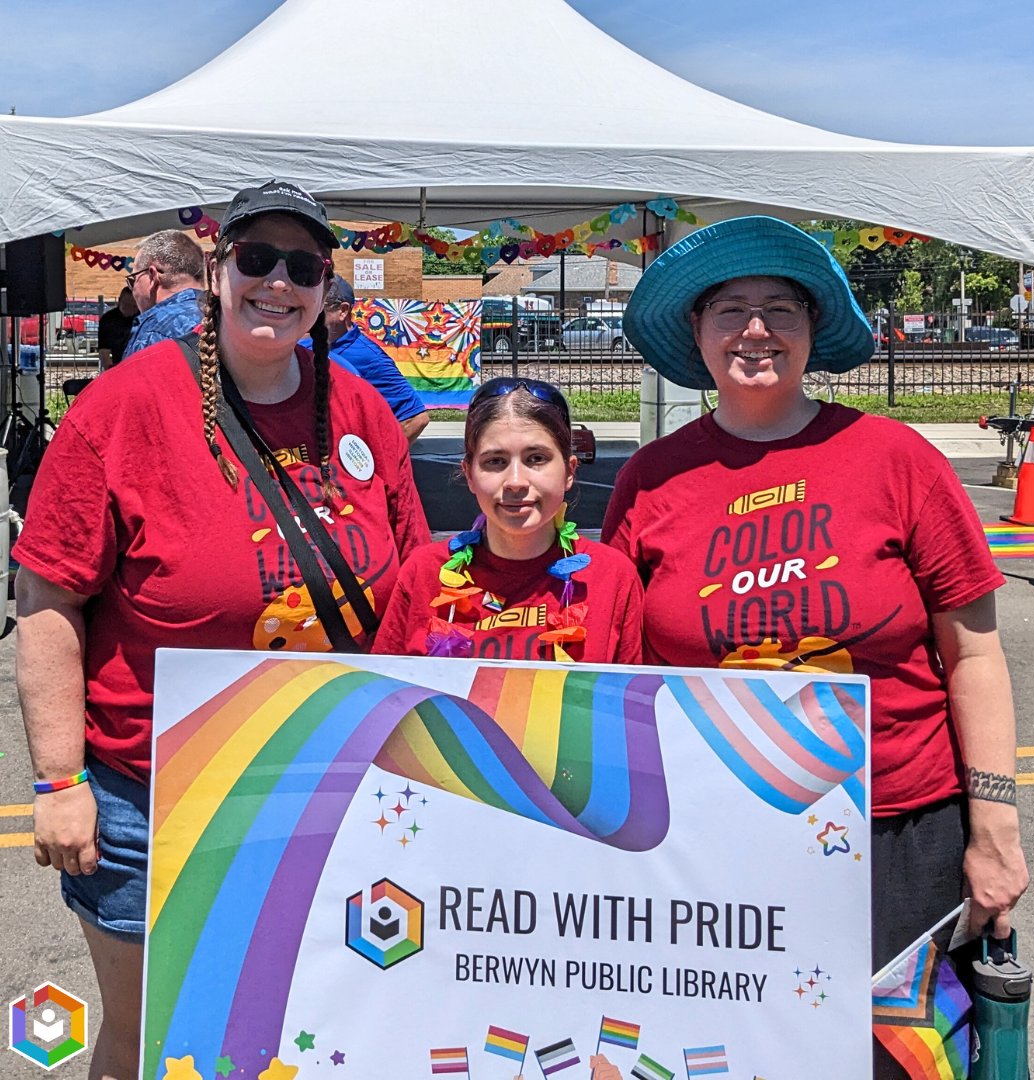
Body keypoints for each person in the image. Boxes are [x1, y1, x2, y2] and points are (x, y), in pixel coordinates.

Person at [14, 179, 430, 1080]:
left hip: (328, 789)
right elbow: (47, 599)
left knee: (310, 1030)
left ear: (324, 287)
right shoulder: (125, 407)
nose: (278, 283)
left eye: (303, 267)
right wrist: (60, 780)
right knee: (154, 1038)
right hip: (154, 796)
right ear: (216, 271)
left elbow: (412, 584)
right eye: (256, 258)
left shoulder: (360, 410)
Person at [602, 217, 1027, 980]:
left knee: (894, 1040)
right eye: (730, 309)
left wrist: (995, 828)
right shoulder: (651, 479)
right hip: (714, 828)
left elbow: (974, 654)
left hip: (897, 827)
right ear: (696, 329)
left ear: (812, 327)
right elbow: (621, 673)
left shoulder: (897, 460)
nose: (755, 330)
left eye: (780, 309)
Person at [374, 377, 642, 663]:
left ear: (569, 471)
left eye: (536, 458)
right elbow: (384, 684)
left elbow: (634, 689)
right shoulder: (423, 573)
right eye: (496, 461)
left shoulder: (612, 578)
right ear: (469, 474)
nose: (515, 481)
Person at [314, 274, 430, 444]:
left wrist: (379, 456)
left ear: (343, 311)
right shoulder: (304, 344)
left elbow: (415, 419)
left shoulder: (369, 358)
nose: (310, 313)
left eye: (318, 307)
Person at [122, 228, 206, 358]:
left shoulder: (154, 332)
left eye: (133, 280)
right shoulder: (225, 315)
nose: (133, 290)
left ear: (153, 276)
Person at [96, 286, 138, 367]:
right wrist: (110, 370)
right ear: (119, 301)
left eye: (133, 306)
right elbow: (104, 351)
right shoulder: (108, 320)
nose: (129, 309)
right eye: (126, 305)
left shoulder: (142, 318)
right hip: (118, 363)